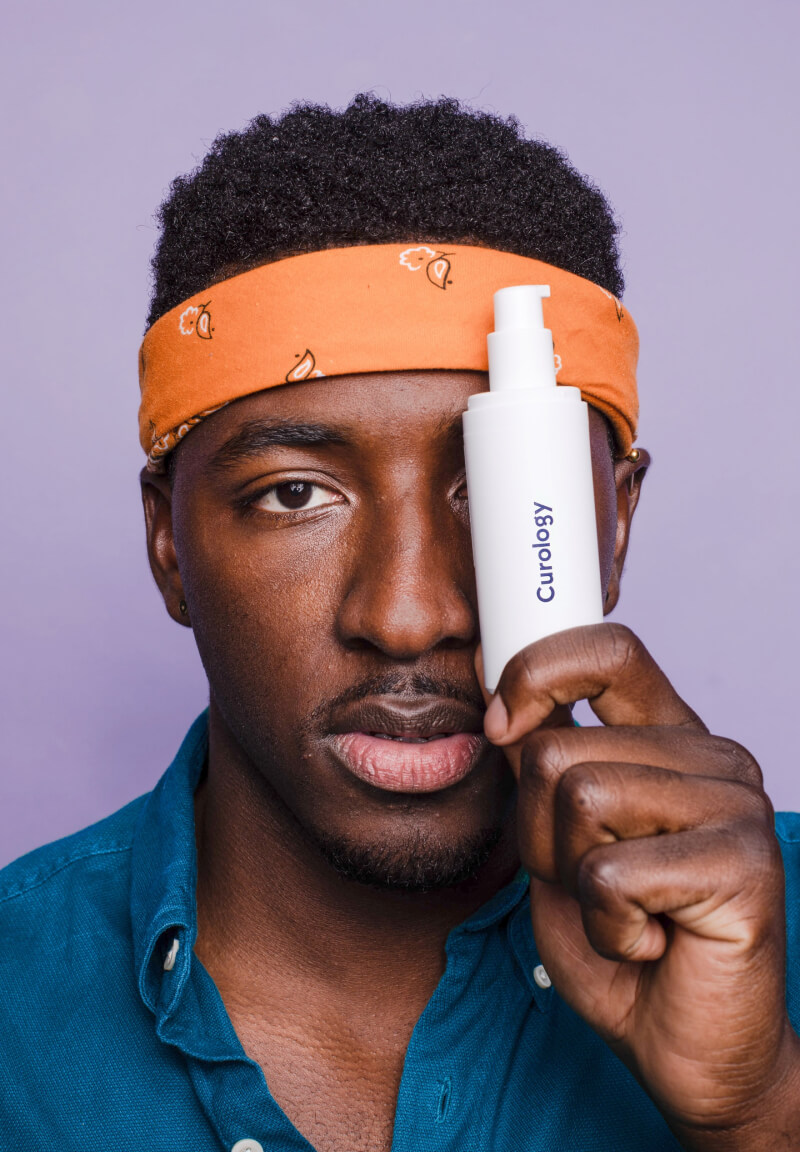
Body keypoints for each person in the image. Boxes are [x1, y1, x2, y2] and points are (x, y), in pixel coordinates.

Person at [1, 94, 798, 1152]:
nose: (410, 616)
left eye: (501, 495)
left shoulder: (771, 945)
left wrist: (758, 1112)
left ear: (613, 526)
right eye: (294, 494)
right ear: (168, 544)